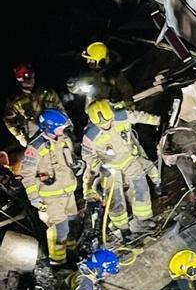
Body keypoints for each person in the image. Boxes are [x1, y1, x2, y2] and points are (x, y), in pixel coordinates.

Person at [81, 99, 160, 236]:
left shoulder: (122, 116)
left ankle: (142, 221)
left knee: (141, 188)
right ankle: (122, 228)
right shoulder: (90, 135)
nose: (106, 125)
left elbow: (141, 117)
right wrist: (100, 167)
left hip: (130, 160)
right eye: (101, 124)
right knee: (115, 199)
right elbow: (87, 156)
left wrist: (158, 121)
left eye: (108, 121)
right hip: (110, 169)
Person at [21, 109, 80, 265]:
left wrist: (78, 165)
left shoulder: (64, 140)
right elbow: (27, 174)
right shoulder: (35, 148)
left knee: (72, 224)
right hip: (51, 197)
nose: (63, 130)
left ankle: (72, 255)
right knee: (60, 229)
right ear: (49, 128)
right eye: (60, 127)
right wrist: (34, 197)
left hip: (68, 192)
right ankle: (58, 263)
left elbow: (71, 159)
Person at [4, 62, 64, 146]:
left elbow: (60, 108)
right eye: (25, 79)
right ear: (20, 81)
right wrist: (20, 137)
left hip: (55, 131)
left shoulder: (47, 92)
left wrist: (67, 126)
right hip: (34, 137)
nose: (29, 81)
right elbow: (9, 121)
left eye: (30, 77)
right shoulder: (15, 101)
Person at [66, 42, 134, 108]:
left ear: (101, 61)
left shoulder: (114, 74)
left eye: (91, 60)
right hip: (93, 111)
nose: (87, 61)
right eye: (88, 59)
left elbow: (127, 91)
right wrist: (72, 85)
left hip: (111, 111)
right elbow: (76, 88)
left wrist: (127, 104)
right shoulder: (91, 75)